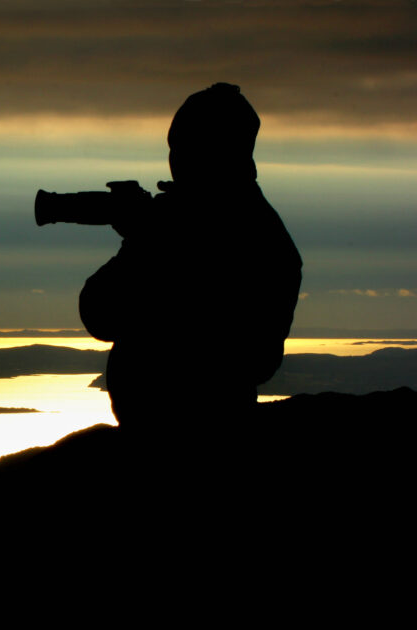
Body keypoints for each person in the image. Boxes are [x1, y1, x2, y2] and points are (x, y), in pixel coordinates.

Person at [79, 83, 302, 435]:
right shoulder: (267, 234)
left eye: (183, 149)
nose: (175, 160)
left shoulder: (185, 227)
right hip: (190, 424)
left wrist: (146, 242)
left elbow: (101, 313)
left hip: (192, 433)